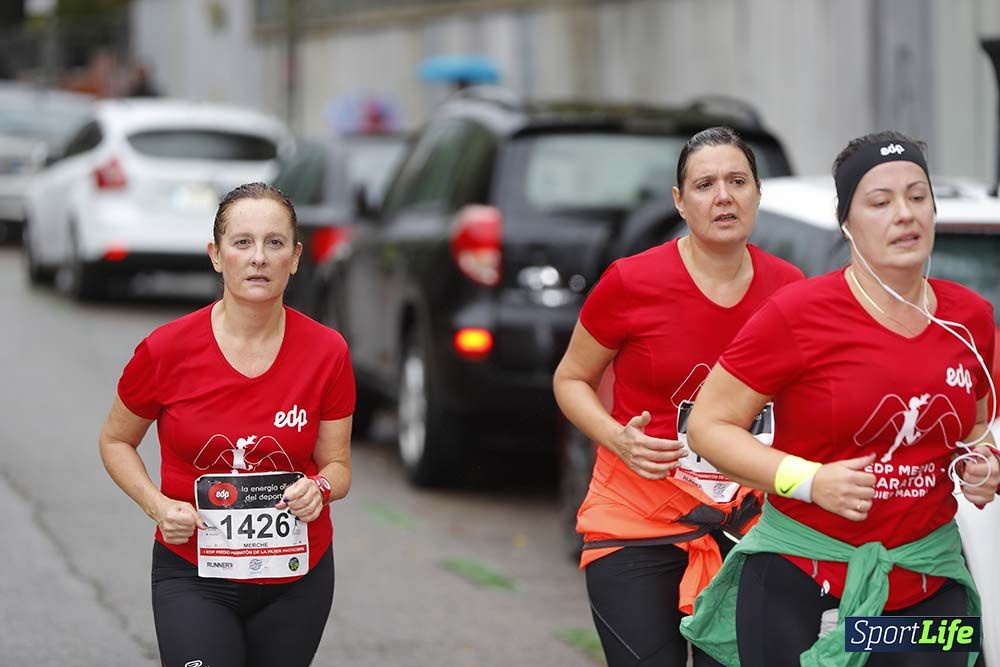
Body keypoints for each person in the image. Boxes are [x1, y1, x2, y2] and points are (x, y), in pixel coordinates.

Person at [680, 131, 999, 667]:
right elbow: (707, 427)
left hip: (926, 583)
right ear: (847, 222)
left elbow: (976, 428)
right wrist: (808, 481)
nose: (905, 214)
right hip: (804, 583)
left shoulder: (971, 318)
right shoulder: (798, 314)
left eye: (917, 197)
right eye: (880, 201)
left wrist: (984, 465)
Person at [552, 126, 805, 666]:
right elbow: (570, 379)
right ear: (680, 201)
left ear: (758, 194)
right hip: (637, 518)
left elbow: (811, 407)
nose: (723, 197)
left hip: (751, 526)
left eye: (738, 181)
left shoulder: (791, 292)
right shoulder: (630, 283)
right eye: (705, 184)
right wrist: (617, 439)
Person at [98, 182, 355, 667]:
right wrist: (157, 506)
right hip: (193, 574)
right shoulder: (165, 350)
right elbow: (115, 440)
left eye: (274, 243)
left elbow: (338, 465)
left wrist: (319, 487)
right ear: (217, 256)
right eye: (242, 243)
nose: (258, 257)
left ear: (295, 257)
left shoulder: (328, 352)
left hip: (297, 577)